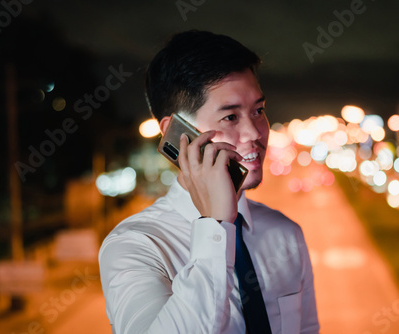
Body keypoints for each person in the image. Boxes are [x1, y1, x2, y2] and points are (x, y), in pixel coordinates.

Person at [99, 30, 319, 334]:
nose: (255, 132)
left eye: (258, 111)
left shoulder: (286, 235)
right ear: (178, 132)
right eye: (230, 117)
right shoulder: (136, 246)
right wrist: (215, 225)